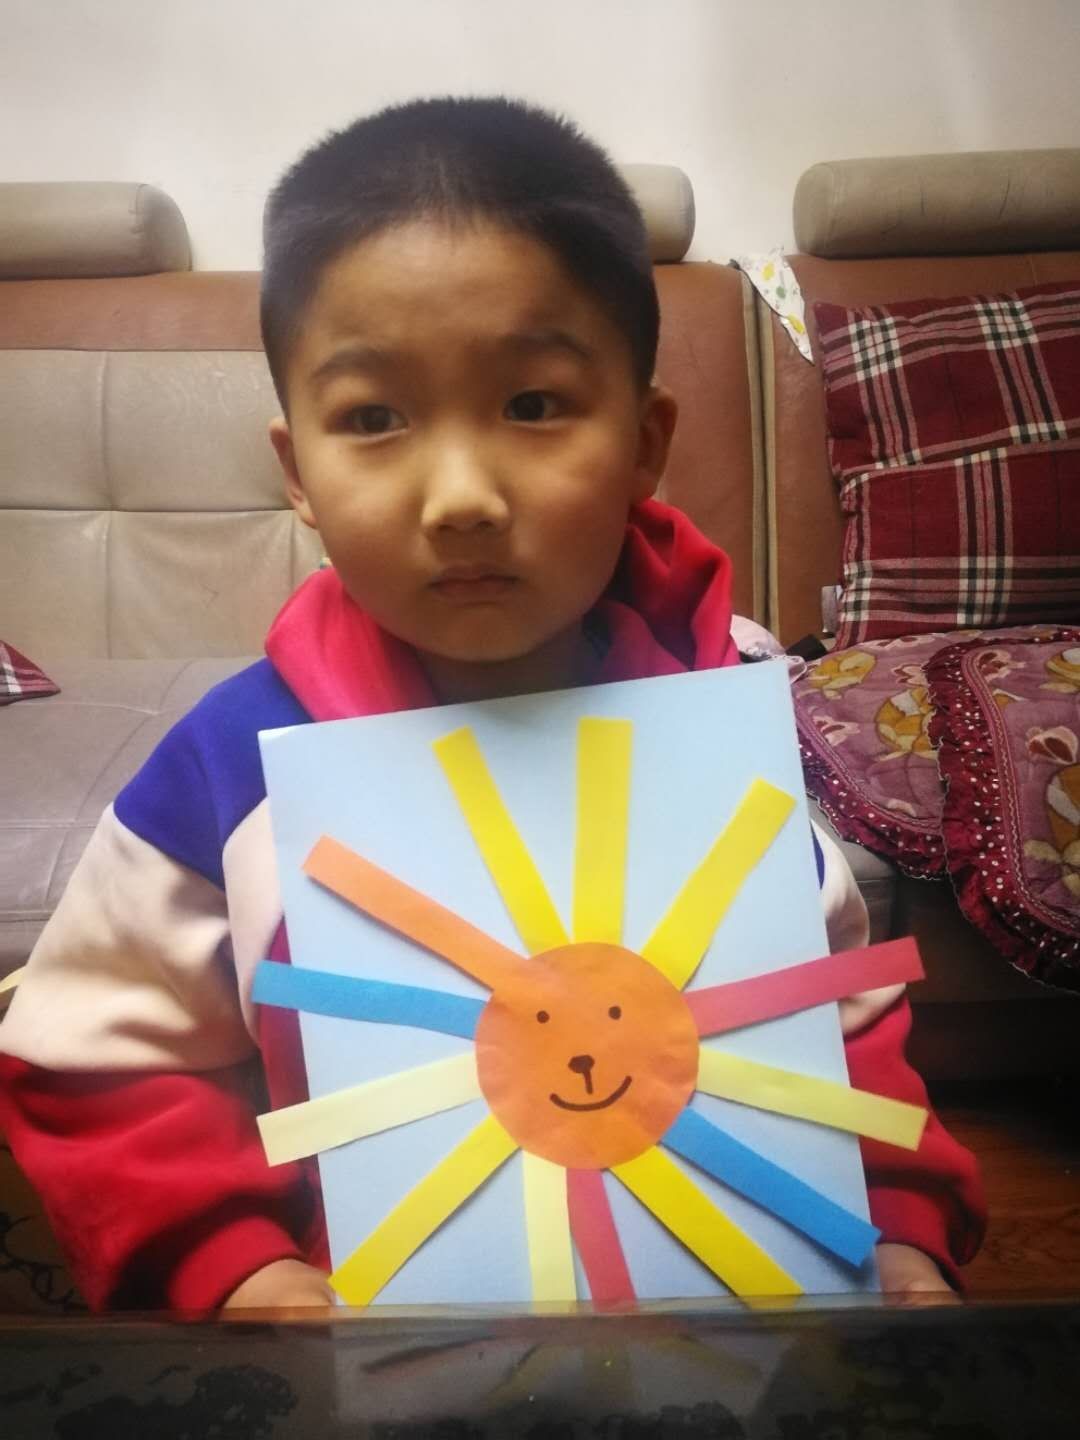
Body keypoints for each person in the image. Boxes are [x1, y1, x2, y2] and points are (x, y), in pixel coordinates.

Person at [0, 97, 984, 1312]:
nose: (461, 494)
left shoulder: (726, 722)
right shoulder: (231, 770)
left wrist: (897, 1233)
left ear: (645, 443)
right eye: (374, 418)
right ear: (298, 470)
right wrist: (237, 1267)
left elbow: (833, 1017)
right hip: (373, 1347)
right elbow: (91, 1063)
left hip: (753, 1340)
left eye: (532, 405)